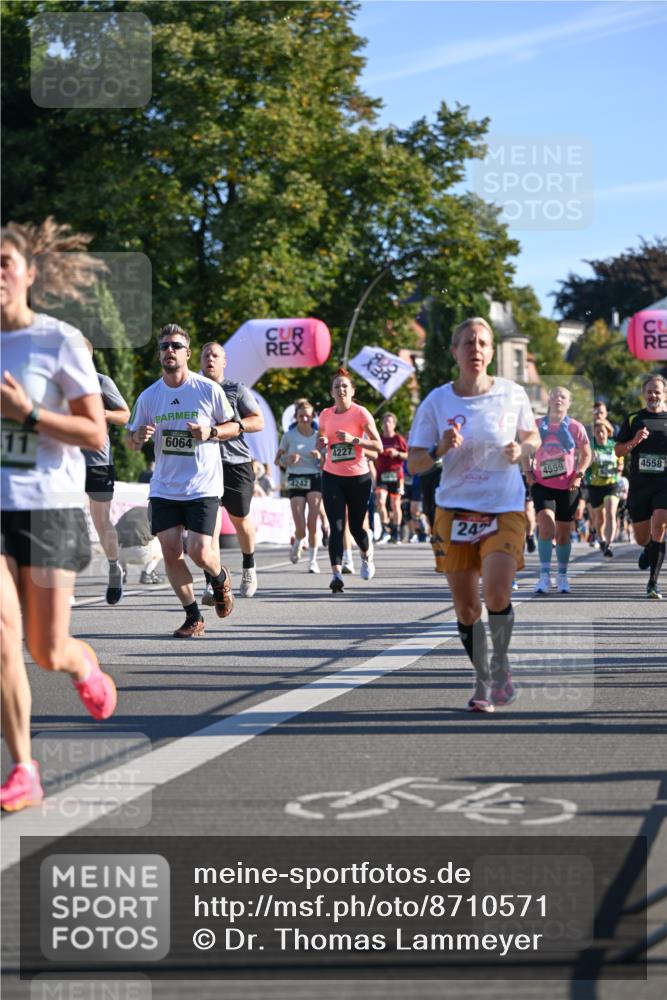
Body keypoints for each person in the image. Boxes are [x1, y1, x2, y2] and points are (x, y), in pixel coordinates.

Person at [1, 219, 117, 812]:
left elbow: (94, 432)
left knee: (45, 649)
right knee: (1, 640)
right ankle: (23, 767)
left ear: (29, 273)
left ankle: (81, 663)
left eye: (4, 262)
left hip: (49, 507)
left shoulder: (58, 340)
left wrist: (25, 414)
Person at [408, 316, 540, 713]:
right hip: (454, 509)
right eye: (468, 343)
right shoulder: (437, 401)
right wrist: (438, 450)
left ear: (491, 352)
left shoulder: (512, 393)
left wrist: (524, 449)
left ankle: (500, 666)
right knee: (467, 608)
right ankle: (485, 678)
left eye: (483, 343)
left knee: (497, 593)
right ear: (455, 352)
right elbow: (415, 463)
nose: (476, 349)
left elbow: (532, 436)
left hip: (504, 506)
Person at [126, 324, 237, 636]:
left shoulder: (208, 390)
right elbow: (130, 441)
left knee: (201, 552)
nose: (169, 351)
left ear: (188, 353)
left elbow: (233, 427)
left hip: (202, 485)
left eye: (175, 345)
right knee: (171, 551)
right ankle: (193, 616)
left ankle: (219, 578)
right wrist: (137, 436)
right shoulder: (149, 397)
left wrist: (211, 432)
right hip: (164, 487)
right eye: (164, 346)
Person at [200, 341, 265, 599]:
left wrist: (232, 426)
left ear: (224, 361)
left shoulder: (236, 389)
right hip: (204, 466)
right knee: (208, 528)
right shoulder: (193, 389)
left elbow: (257, 421)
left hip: (235, 463)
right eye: (206, 355)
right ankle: (212, 582)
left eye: (216, 355)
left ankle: (249, 566)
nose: (211, 359)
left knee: (241, 520)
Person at [317, 368, 382, 593]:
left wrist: (355, 440)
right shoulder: (325, 414)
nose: (341, 389)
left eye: (345, 386)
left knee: (355, 527)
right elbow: (321, 437)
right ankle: (336, 575)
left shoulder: (361, 413)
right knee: (335, 526)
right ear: (331, 392)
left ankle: (366, 554)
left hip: (358, 477)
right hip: (332, 475)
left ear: (352, 391)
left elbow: (378, 445)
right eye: (337, 386)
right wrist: (321, 443)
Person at [525, 386, 591, 594]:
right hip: (542, 484)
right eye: (554, 396)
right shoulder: (537, 425)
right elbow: (525, 450)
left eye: (563, 396)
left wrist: (579, 474)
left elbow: (587, 454)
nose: (558, 399)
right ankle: (544, 576)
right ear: (549, 401)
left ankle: (562, 576)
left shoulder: (576, 427)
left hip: (568, 485)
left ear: (569, 403)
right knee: (545, 526)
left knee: (563, 535)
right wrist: (527, 471)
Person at [81, 338, 131, 604]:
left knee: (100, 521)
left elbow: (124, 415)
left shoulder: (102, 382)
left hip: (97, 461)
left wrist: (97, 412)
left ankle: (114, 567)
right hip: (64, 461)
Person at [615, 374, 667, 600]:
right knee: (641, 536)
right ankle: (648, 549)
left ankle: (653, 583)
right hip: (640, 485)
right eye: (650, 391)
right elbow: (618, 451)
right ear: (643, 394)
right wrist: (635, 441)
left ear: (665, 394)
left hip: (664, 484)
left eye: (657, 391)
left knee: (660, 526)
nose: (653, 395)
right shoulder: (633, 419)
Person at [276, 398, 323, 573]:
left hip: (315, 478)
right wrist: (287, 459)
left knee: (312, 522)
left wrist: (319, 456)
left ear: (313, 418)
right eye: (301, 416)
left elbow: (327, 462)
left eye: (308, 417)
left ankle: (312, 560)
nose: (304, 419)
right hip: (295, 478)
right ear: (296, 417)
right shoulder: (289, 436)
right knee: (301, 526)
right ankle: (297, 541)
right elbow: (277, 460)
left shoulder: (319, 436)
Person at [584, 422, 623, 557]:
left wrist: (620, 467)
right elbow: (584, 466)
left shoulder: (614, 446)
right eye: (597, 432)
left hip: (611, 484)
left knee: (611, 513)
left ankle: (609, 543)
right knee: (599, 520)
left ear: (608, 432)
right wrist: (590, 461)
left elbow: (621, 459)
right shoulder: (591, 447)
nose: (600, 434)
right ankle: (601, 539)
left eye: (603, 431)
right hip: (595, 486)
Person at [375, 412, 408, 544]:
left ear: (394, 424)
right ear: (382, 425)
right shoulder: (378, 439)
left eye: (390, 422)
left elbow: (408, 455)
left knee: (395, 505)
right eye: (385, 422)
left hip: (396, 476)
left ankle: (396, 532)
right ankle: (385, 530)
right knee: (381, 501)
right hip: (382, 475)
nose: (387, 424)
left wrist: (397, 453)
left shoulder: (399, 439)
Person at [115, 505, 163, 584]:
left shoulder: (126, 515)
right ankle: (147, 573)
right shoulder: (153, 515)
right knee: (162, 547)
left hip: (122, 554)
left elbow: (114, 534)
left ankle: (122, 572)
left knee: (116, 545)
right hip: (142, 553)